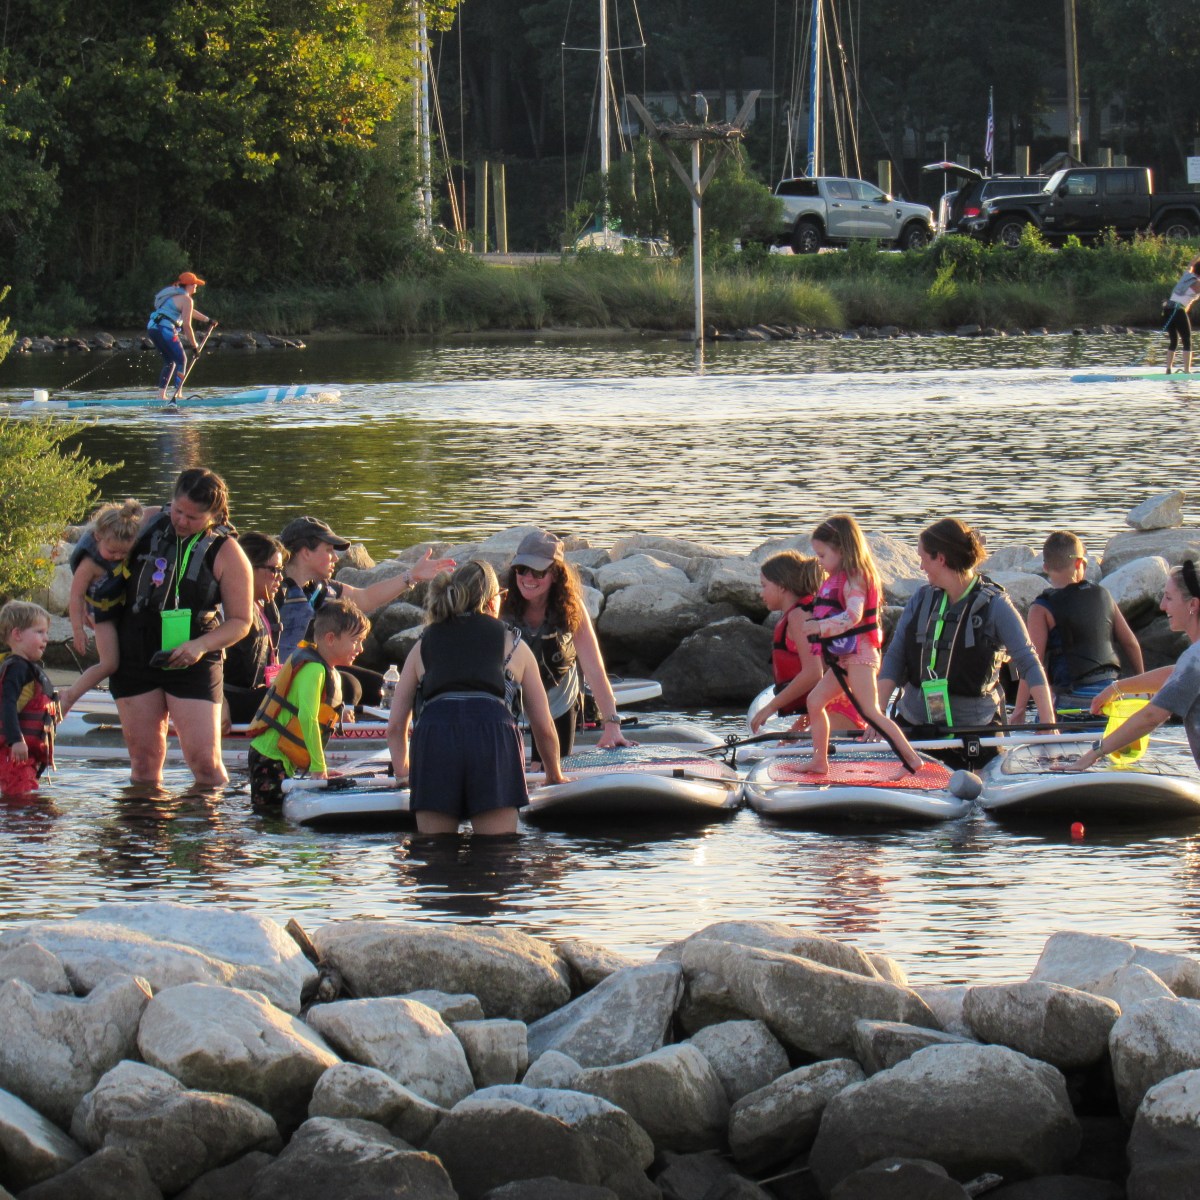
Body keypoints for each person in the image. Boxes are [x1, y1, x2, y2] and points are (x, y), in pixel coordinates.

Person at [387, 560, 566, 835]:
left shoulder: (423, 643)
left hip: (436, 739)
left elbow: (397, 725)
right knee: (498, 856)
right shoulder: (514, 643)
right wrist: (554, 775)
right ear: (493, 602)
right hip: (492, 737)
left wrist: (403, 775)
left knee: (435, 857)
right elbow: (543, 725)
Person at [109, 468, 253, 786]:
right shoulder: (146, 521)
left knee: (206, 764)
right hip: (136, 649)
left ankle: (208, 833)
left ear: (215, 516)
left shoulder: (228, 552)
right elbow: (95, 554)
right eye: (178, 511)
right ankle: (144, 833)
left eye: (193, 517)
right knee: (144, 762)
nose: (182, 521)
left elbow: (241, 622)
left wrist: (200, 647)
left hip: (194, 653)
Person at [877, 517, 1056, 765]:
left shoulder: (996, 606)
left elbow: (1029, 661)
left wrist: (1047, 722)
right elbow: (895, 658)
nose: (920, 567)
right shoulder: (921, 599)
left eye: (923, 559)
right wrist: (877, 715)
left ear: (941, 558)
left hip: (973, 733)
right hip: (915, 729)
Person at [277, 516, 454, 707]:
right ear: (305, 553)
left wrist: (412, 576)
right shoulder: (273, 591)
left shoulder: (325, 589)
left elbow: (367, 598)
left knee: (384, 687)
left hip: (317, 669)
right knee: (352, 687)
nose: (336, 558)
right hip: (285, 678)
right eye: (328, 550)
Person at [797, 515, 924, 775]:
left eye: (822, 556)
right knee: (815, 700)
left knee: (871, 712)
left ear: (841, 550)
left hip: (861, 656)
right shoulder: (840, 577)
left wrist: (820, 627)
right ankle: (820, 760)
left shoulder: (857, 578)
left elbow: (853, 616)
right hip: (845, 657)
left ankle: (912, 760)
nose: (819, 563)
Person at [500, 529, 633, 758]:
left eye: (538, 572)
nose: (528, 579)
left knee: (554, 767)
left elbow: (593, 667)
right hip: (513, 700)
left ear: (556, 574)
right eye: (522, 570)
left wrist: (612, 724)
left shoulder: (569, 608)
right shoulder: (500, 603)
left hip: (559, 699)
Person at [1069, 561, 1200, 772]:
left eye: (1168, 597)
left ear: (1193, 604)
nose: (1162, 606)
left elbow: (1151, 717)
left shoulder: (1195, 657)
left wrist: (1092, 754)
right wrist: (1116, 688)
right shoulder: (1193, 661)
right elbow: (1177, 674)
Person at [247, 598, 369, 805]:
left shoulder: (323, 668)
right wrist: (318, 766)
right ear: (330, 639)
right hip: (270, 758)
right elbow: (307, 717)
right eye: (356, 640)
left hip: (278, 758)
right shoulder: (314, 670)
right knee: (270, 818)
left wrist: (316, 765)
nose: (361, 648)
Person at [1012, 530, 1143, 716]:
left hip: (1072, 697)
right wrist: (1142, 682)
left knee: (1045, 725)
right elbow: (1130, 642)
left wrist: (1019, 709)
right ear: (1079, 563)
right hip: (1111, 693)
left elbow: (1033, 661)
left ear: (1046, 567)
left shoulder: (1041, 608)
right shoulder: (1103, 595)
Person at [749, 550, 864, 735]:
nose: (761, 593)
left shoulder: (799, 616)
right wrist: (795, 731)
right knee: (789, 749)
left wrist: (770, 707)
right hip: (829, 706)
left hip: (840, 707)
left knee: (807, 759)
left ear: (781, 586)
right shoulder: (804, 611)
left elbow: (813, 673)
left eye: (764, 585)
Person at [60, 500, 147, 716]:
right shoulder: (89, 564)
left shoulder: (127, 545)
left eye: (123, 553)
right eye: (112, 552)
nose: (118, 557)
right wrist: (78, 630)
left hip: (127, 610)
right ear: (98, 537)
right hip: (104, 615)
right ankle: (69, 695)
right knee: (109, 663)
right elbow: (76, 597)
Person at [222, 533, 286, 729]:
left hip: (256, 695)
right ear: (248, 568)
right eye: (273, 570)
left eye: (281, 570)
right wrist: (221, 702)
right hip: (230, 700)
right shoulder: (225, 608)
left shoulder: (266, 605)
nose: (280, 578)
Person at [0, 601, 59, 796]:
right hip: (13, 754)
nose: (46, 638)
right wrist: (16, 740)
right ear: (17, 635)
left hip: (18, 754)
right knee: (20, 800)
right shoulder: (17, 668)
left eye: (46, 633)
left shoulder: (21, 668)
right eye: (39, 632)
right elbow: (6, 704)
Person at [147, 271, 213, 403]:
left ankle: (161, 396)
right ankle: (178, 395)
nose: (196, 287)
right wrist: (195, 347)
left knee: (170, 361)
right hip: (164, 329)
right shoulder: (187, 299)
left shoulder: (175, 296)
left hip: (153, 328)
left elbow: (190, 311)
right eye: (195, 284)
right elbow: (187, 326)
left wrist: (207, 320)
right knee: (182, 359)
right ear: (188, 285)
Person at [1163, 257, 1200, 375]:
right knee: (1187, 340)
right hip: (1178, 310)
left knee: (1174, 340)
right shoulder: (1198, 283)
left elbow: (1191, 263)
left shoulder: (1186, 275)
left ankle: (1168, 370)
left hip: (1167, 309)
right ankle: (1187, 371)